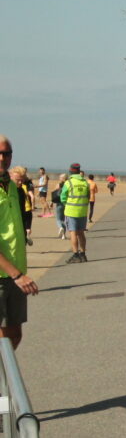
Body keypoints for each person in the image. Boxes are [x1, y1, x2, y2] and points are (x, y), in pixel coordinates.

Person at [0, 135, 40, 349]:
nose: (1, 158)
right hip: (6, 273)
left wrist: (17, 272)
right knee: (3, 340)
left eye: (6, 153)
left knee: (14, 335)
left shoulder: (15, 189)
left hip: (15, 270)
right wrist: (17, 275)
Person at [61, 163, 90, 262]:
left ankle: (75, 255)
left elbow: (63, 197)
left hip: (71, 211)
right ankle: (83, 254)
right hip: (82, 211)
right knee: (81, 233)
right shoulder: (85, 182)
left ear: (71, 171)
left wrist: (67, 204)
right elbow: (88, 196)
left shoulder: (69, 182)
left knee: (73, 233)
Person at [9, 166, 33, 246]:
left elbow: (22, 212)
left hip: (20, 227)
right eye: (17, 180)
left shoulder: (21, 190)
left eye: (22, 180)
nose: (20, 182)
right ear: (10, 177)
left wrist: (24, 233)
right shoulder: (6, 190)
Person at [52, 173, 66, 239]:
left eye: (60, 177)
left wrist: (51, 202)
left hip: (59, 202)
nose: (59, 178)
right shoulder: (68, 184)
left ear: (62, 178)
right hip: (66, 203)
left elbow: (55, 194)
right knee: (63, 219)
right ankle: (63, 235)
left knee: (58, 219)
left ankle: (60, 227)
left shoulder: (58, 185)